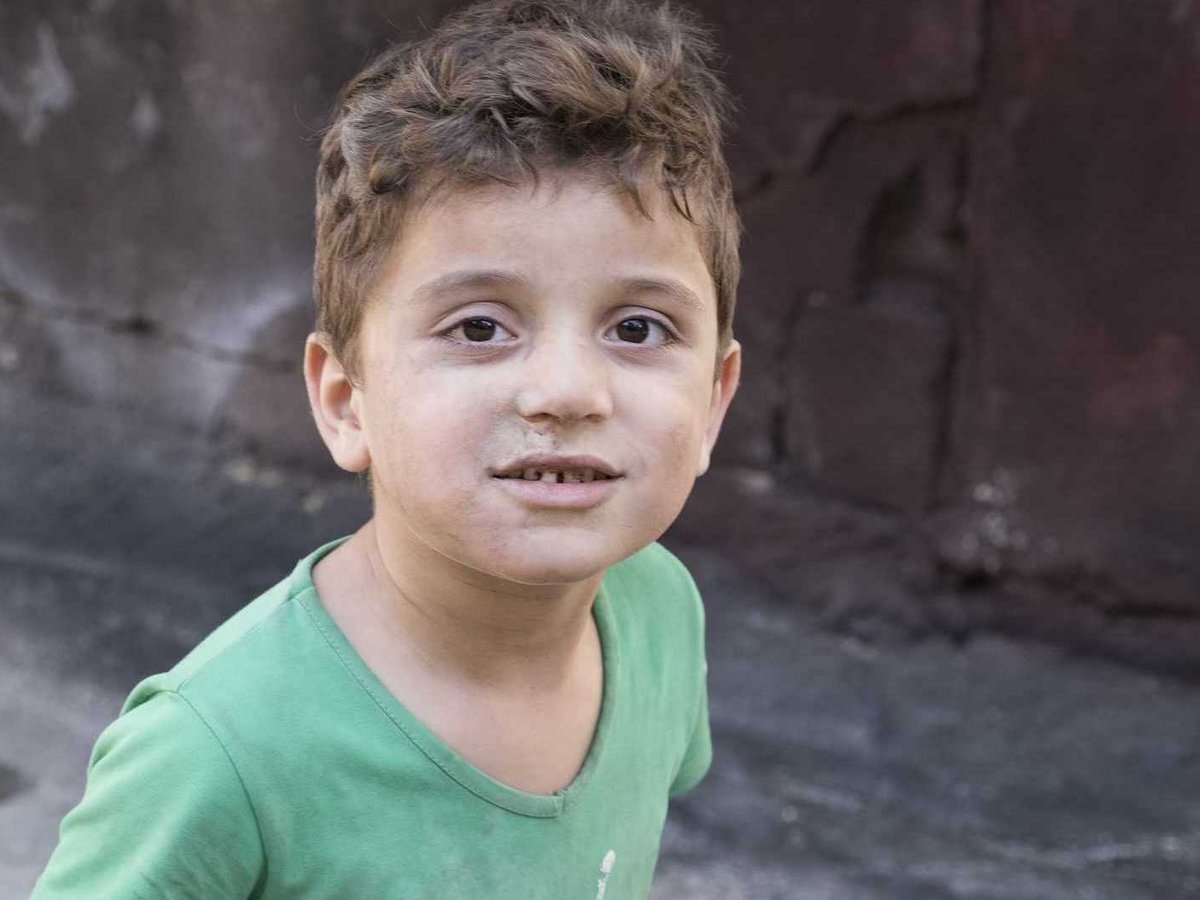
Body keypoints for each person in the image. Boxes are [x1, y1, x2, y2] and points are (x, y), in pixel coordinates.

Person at [32, 0, 742, 895]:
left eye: (637, 328)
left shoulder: (658, 611)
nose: (567, 391)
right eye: (479, 326)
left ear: (713, 401)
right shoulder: (216, 755)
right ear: (344, 401)